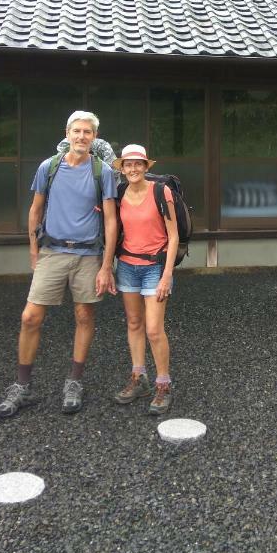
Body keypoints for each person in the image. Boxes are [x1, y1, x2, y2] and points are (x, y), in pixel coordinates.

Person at [0, 110, 118, 419]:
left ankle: (74, 382)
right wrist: (34, 250)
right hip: (52, 250)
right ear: (67, 133)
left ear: (94, 137)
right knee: (30, 317)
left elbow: (112, 220)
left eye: (87, 132)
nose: (81, 136)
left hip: (89, 254)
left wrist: (106, 266)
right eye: (76, 131)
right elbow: (35, 211)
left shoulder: (101, 171)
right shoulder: (48, 167)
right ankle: (22, 385)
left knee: (84, 315)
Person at [112, 143, 178, 415]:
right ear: (123, 168)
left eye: (138, 163)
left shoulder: (161, 192)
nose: (133, 168)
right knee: (134, 322)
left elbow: (173, 236)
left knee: (153, 328)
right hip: (127, 265)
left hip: (155, 267)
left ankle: (163, 384)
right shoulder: (119, 193)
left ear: (146, 167)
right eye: (128, 164)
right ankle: (138, 377)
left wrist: (167, 275)